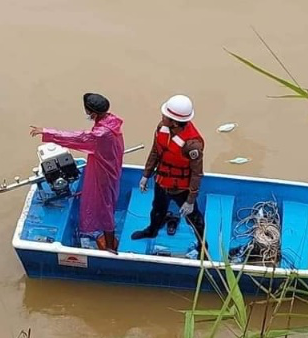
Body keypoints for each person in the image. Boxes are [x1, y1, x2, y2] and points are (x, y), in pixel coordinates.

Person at [30, 93, 125, 254]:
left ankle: (110, 245)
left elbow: (77, 138)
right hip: (111, 166)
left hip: (103, 173)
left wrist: (47, 133)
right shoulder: (112, 122)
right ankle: (108, 238)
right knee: (108, 200)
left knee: (105, 206)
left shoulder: (101, 135)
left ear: (91, 112)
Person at [131, 94, 206, 256]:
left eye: (166, 115)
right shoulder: (162, 128)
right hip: (162, 180)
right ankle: (152, 231)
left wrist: (190, 201)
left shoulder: (192, 145)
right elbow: (155, 152)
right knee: (157, 210)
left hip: (182, 188)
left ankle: (202, 247)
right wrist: (146, 174)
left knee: (195, 220)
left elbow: (197, 174)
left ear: (175, 121)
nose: (162, 116)